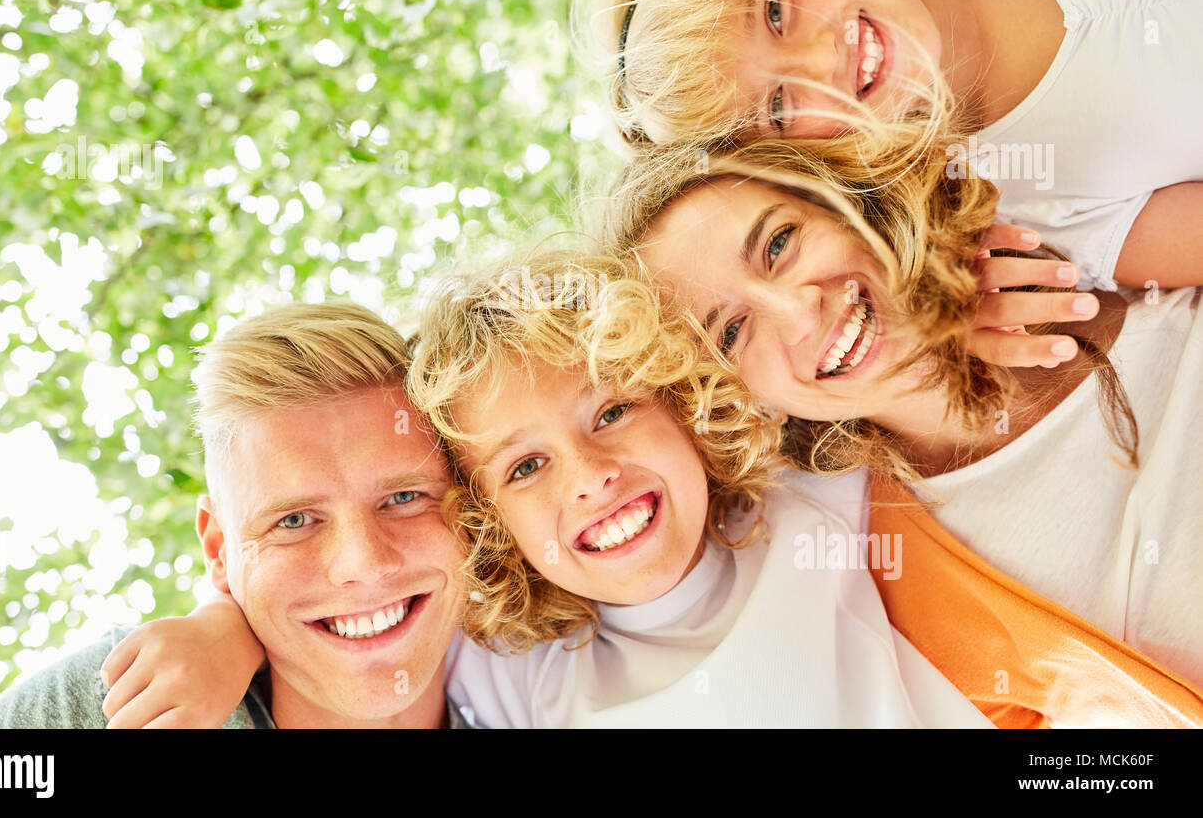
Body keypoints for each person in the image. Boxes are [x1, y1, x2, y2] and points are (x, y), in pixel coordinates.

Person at [100, 250, 994, 728]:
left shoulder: (807, 491)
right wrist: (225, 629)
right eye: (525, 467)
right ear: (488, 521)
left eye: (612, 412)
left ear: (681, 400)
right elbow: (345, 619)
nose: (591, 478)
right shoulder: (513, 664)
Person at [593, 140, 1203, 704]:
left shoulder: (1143, 266)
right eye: (730, 332)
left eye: (779, 243)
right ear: (738, 399)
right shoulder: (878, 593)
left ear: (845, 202)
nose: (800, 312)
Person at [584, 0, 1203, 289]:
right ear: (799, 160)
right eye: (778, 106)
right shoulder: (1022, 206)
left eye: (774, 11)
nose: (823, 60)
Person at [0, 302, 471, 729]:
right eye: (294, 521)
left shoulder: (534, 700)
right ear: (218, 549)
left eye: (404, 497)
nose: (363, 563)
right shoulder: (114, 703)